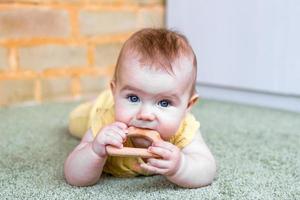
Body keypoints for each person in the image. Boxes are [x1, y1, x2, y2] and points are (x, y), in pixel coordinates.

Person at [64, 28, 216, 188]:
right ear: (115, 92)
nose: (145, 115)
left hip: (117, 101)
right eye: (133, 98)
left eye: (164, 103)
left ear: (188, 106)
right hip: (100, 107)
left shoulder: (183, 129)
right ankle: (101, 99)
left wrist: (181, 166)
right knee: (74, 122)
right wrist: (94, 151)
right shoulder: (105, 123)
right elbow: (73, 176)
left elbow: (207, 169)